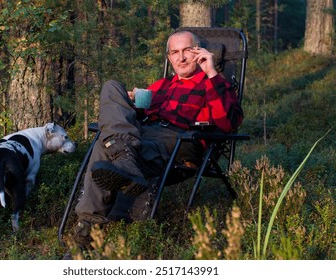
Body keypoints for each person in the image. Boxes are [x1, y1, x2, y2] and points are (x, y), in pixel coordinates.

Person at [73, 30, 243, 247]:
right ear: (169, 57)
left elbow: (230, 122)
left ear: (199, 52)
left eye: (187, 51)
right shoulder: (161, 86)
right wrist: (130, 104)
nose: (180, 58)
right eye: (174, 52)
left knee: (102, 148)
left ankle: (84, 236)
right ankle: (123, 157)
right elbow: (134, 116)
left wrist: (211, 72)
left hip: (179, 142)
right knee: (112, 87)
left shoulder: (212, 83)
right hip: (142, 138)